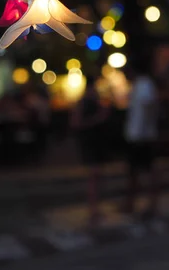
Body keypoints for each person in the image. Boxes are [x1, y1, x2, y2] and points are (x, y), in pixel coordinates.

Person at [70, 75, 110, 225]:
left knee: (98, 177)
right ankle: (93, 210)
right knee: (94, 177)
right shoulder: (84, 103)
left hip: (96, 143)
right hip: (90, 143)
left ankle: (96, 209)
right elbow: (76, 122)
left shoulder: (95, 101)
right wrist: (98, 119)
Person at [123, 60, 160, 218]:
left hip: (142, 136)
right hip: (136, 135)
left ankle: (151, 204)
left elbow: (149, 107)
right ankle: (132, 203)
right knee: (134, 171)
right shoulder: (138, 84)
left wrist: (145, 131)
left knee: (146, 171)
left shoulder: (144, 84)